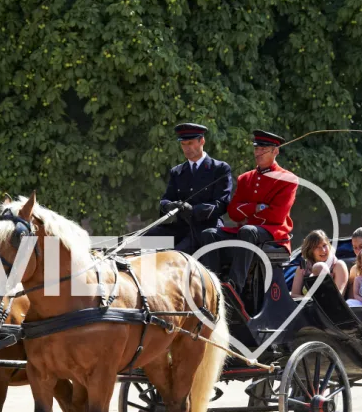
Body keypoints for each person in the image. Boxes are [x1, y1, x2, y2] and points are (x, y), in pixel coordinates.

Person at [200, 130, 298, 314]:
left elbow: (277, 215)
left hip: (273, 232)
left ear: (275, 151)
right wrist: (258, 207)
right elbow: (233, 212)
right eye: (257, 148)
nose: (258, 153)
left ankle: (233, 288)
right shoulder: (245, 178)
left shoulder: (288, 179)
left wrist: (247, 208)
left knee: (248, 230)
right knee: (209, 234)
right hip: (248, 230)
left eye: (264, 149)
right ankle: (212, 284)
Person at [145, 123, 232, 253]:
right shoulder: (178, 171)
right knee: (144, 241)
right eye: (183, 144)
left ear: (202, 141)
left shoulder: (219, 168)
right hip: (181, 227)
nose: (186, 148)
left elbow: (222, 204)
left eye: (190, 143)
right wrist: (169, 205)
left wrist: (193, 210)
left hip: (206, 229)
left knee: (174, 255)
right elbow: (166, 199)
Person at [291, 229, 348, 297]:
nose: (323, 250)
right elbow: (294, 295)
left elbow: (338, 298)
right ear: (310, 250)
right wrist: (310, 301)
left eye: (324, 245)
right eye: (317, 247)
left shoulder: (338, 266)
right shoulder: (303, 267)